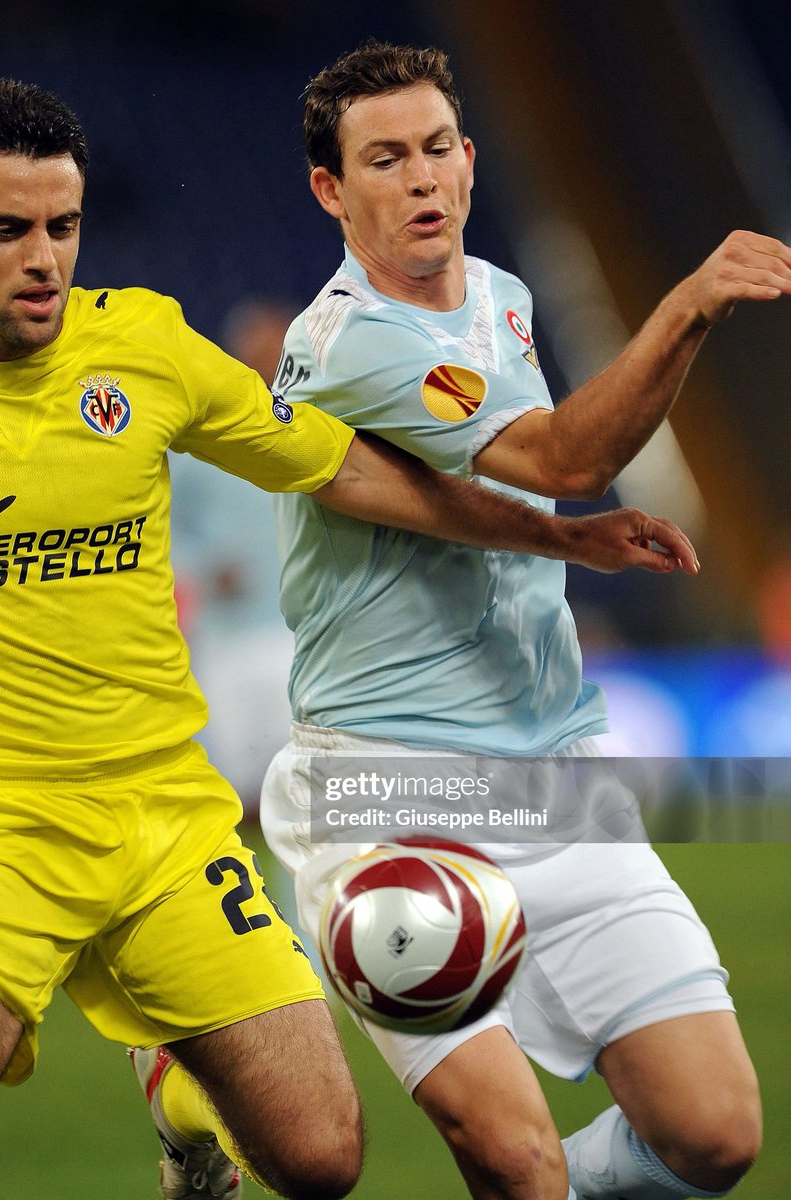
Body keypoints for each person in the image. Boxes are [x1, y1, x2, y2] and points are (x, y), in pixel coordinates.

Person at [0, 78, 695, 1200]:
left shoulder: (145, 345)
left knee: (321, 1158)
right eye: (6, 230)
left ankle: (176, 1097)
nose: (44, 259)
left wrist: (561, 537)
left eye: (63, 226)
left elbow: (347, 471)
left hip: (160, 820)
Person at [256, 41, 788, 1200]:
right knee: (514, 1158)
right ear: (329, 190)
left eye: (437, 148)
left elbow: (457, 492)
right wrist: (687, 307)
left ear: (469, 158)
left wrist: (564, 540)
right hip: (387, 798)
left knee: (712, 1136)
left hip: (555, 780)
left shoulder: (501, 296)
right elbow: (564, 460)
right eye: (384, 159)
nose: (420, 178)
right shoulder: (347, 343)